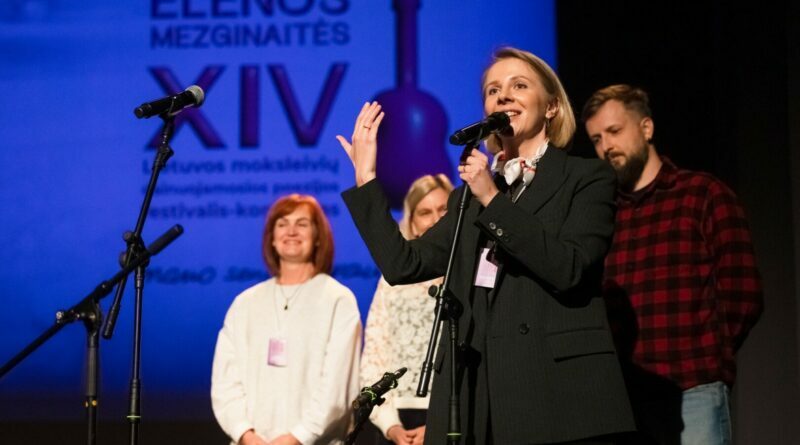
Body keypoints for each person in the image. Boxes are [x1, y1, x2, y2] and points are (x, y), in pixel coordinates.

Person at [337, 47, 635, 444]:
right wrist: (366, 178)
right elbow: (404, 264)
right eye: (493, 91)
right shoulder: (466, 198)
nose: (503, 95)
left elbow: (570, 267)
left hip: (555, 393)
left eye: (519, 85)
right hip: (479, 395)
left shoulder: (586, 178)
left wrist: (492, 199)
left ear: (551, 106)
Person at [582, 84, 764, 445]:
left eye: (614, 131)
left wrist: (705, 355)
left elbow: (743, 294)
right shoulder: (604, 214)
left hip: (693, 391)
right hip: (625, 400)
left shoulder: (703, 194)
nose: (607, 147)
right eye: (597, 139)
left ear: (646, 128)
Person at [211, 194, 362, 445]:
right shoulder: (245, 303)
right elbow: (225, 381)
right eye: (282, 224)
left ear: (318, 237)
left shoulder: (337, 299)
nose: (291, 231)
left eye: (302, 224)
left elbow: (337, 386)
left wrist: (297, 437)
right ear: (271, 237)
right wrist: (245, 433)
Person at [360, 174, 453, 445]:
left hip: (451, 415)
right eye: (425, 212)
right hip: (397, 418)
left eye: (443, 210)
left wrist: (439, 423)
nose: (435, 220)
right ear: (412, 222)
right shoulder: (393, 281)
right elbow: (375, 352)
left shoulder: (469, 275)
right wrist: (390, 425)